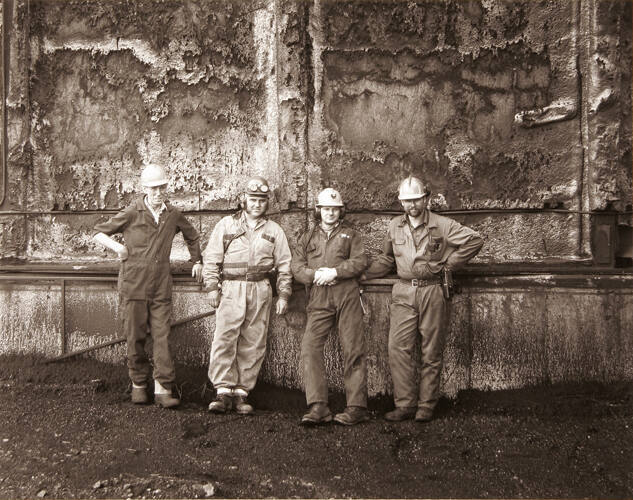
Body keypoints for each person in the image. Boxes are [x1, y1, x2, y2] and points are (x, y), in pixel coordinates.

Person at [364, 176, 483, 422]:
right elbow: (387, 259)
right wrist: (361, 274)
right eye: (407, 201)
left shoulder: (442, 225)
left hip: (432, 290)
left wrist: (449, 265)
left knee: (431, 349)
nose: (412, 206)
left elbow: (475, 240)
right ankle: (405, 404)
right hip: (404, 290)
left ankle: (426, 405)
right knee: (397, 348)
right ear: (401, 202)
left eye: (416, 200)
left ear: (426, 199)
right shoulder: (394, 225)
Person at [93, 164, 203, 408]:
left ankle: (163, 388)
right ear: (144, 188)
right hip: (133, 286)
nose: (158, 192)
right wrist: (119, 248)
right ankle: (139, 385)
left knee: (162, 337)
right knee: (135, 337)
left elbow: (192, 235)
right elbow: (99, 233)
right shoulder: (133, 211)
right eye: (153, 188)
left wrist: (197, 261)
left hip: (161, 286)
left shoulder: (172, 214)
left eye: (162, 187)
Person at [203, 176, 292, 415]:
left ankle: (242, 393)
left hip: (260, 288)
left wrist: (283, 294)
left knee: (253, 340)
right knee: (225, 337)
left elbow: (284, 265)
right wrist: (212, 287)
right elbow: (211, 259)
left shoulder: (274, 230)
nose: (256, 204)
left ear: (267, 203)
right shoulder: (226, 225)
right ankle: (222, 391)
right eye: (252, 199)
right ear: (244, 200)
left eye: (261, 200)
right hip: (230, 289)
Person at [291, 188, 369, 426]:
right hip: (319, 296)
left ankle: (356, 407)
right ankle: (318, 406)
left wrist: (336, 272)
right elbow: (296, 266)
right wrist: (315, 275)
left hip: (347, 294)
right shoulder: (307, 237)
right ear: (319, 211)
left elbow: (361, 261)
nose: (330, 213)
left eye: (334, 209)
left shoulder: (351, 236)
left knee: (353, 348)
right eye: (326, 208)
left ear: (340, 211)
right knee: (309, 346)